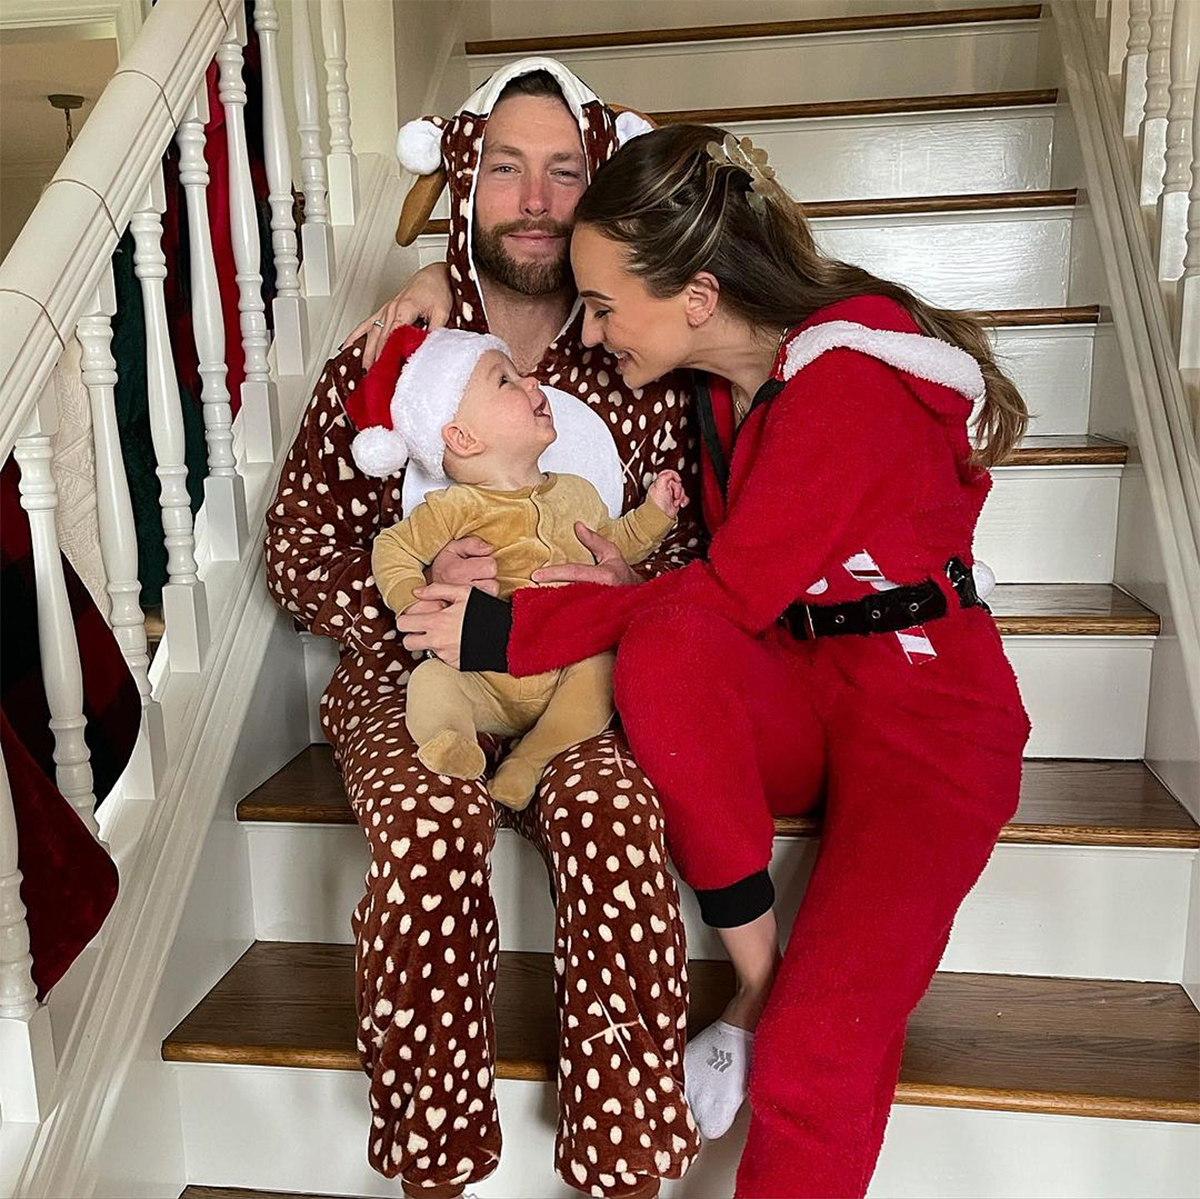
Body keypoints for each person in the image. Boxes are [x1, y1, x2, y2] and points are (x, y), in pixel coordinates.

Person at [397, 124, 1032, 1199]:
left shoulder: (847, 386)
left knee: (817, 1045)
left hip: (929, 715)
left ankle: (773, 1011)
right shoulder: (719, 389)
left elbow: (733, 587)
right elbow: (540, 259)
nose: (591, 331)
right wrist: (432, 282)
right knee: (666, 644)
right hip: (802, 683)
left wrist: (508, 634)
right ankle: (757, 975)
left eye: (605, 307)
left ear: (697, 295)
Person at [264, 59, 703, 1199]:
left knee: (615, 814)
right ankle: (435, 1157)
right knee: (428, 822)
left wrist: (626, 578)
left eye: (564, 171)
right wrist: (411, 605)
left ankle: (624, 1155)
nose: (536, 199)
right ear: (466, 182)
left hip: (579, 677)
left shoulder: (640, 354)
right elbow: (299, 547)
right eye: (507, 168)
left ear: (599, 186)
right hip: (419, 679)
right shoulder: (392, 354)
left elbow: (701, 551)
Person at [351, 323, 685, 808]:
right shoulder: (455, 507)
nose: (532, 382)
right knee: (431, 681)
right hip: (481, 677)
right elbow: (393, 548)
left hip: (564, 663)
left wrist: (655, 514)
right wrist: (417, 601)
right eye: (505, 380)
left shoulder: (577, 493)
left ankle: (530, 760)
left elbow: (613, 550)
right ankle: (451, 739)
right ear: (463, 438)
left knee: (602, 672)